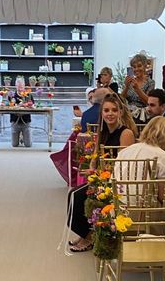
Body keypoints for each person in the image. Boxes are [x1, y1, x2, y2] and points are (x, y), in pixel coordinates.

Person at [67, 94, 136, 253]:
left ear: (120, 112)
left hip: (117, 182)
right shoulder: (102, 131)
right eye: (106, 110)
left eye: (113, 110)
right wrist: (92, 170)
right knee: (73, 194)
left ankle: (88, 236)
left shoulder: (126, 133)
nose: (110, 114)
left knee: (78, 196)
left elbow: (124, 164)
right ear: (102, 113)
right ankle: (86, 233)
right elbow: (95, 158)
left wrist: (100, 174)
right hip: (103, 178)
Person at [115, 116, 165, 181]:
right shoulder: (162, 156)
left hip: (118, 190)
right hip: (147, 191)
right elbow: (163, 188)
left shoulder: (125, 151)